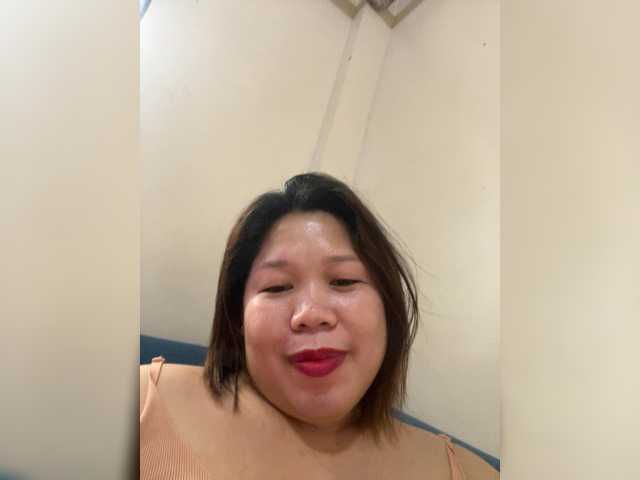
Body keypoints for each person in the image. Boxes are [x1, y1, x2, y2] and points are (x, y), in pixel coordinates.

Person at [140, 172, 499, 479]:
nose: (311, 314)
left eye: (344, 281)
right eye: (277, 287)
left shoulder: (467, 472)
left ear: (387, 308)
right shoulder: (142, 402)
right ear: (238, 318)